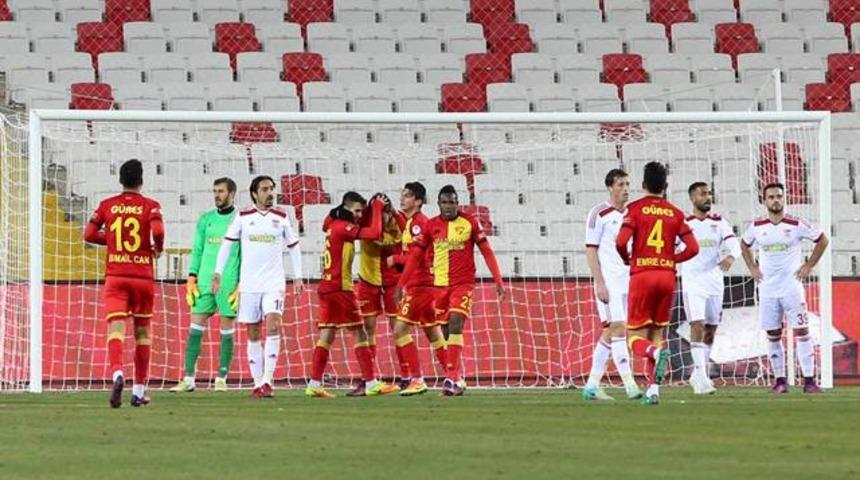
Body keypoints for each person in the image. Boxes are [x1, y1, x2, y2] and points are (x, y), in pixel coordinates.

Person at [396, 185, 505, 396]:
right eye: (445, 202)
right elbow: (416, 256)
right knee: (445, 332)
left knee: (456, 322)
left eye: (452, 202)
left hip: (463, 285)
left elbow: (486, 251)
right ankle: (456, 379)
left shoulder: (469, 222)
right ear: (439, 204)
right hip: (439, 286)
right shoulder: (431, 226)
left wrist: (498, 279)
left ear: (457, 203)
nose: (449, 206)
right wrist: (401, 284)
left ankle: (450, 378)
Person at [615, 162, 699, 405]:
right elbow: (693, 248)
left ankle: (655, 353)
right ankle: (653, 391)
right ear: (666, 186)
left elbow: (620, 242)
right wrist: (672, 259)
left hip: (642, 275)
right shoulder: (675, 212)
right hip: (667, 277)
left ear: (643, 185)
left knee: (634, 337)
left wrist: (627, 259)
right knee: (656, 333)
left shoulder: (635, 209)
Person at [212, 176, 303, 399]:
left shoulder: (281, 217)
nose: (270, 193)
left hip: (274, 283)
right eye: (265, 189)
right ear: (254, 194)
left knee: (273, 325)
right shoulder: (243, 217)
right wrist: (218, 272)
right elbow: (227, 245)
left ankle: (268, 380)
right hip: (250, 284)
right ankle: (256, 383)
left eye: (272, 189)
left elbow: (293, 246)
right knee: (253, 332)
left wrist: (298, 276)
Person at [84, 159, 164, 408]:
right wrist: (156, 249)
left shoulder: (107, 205)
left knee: (116, 329)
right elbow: (158, 232)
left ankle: (117, 373)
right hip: (142, 277)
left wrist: (111, 241)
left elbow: (87, 234)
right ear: (141, 180)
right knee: (142, 333)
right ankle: (139, 392)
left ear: (120, 180)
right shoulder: (151, 206)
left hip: (116, 277)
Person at [305, 192, 400, 398]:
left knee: (327, 335)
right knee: (360, 333)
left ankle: (314, 383)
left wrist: (339, 211)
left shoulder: (333, 223)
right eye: (356, 211)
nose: (359, 215)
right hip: (341, 288)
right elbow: (374, 233)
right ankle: (371, 383)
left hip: (326, 286)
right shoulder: (344, 228)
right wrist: (375, 208)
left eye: (361, 211)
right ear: (347, 209)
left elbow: (324, 223)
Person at [740, 182, 829, 394]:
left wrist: (809, 265)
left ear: (784, 199)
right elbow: (744, 244)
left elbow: (822, 240)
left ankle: (809, 380)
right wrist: (752, 267)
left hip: (792, 288)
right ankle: (780, 381)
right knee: (773, 333)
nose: (775, 200)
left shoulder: (796, 223)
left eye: (779, 196)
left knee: (802, 331)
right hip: (768, 289)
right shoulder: (756, 226)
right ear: (764, 201)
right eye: (771, 197)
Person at [172, 177, 241, 393]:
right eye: (214, 191)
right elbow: (198, 250)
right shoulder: (205, 220)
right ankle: (189, 378)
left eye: (221, 191)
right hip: (203, 279)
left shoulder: (241, 220)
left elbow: (246, 253)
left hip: (228, 280)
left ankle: (221, 377)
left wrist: (241, 283)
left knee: (227, 330)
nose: (217, 195)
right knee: (195, 329)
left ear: (232, 194)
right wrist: (191, 277)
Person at [582, 168, 641, 401]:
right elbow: (590, 249)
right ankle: (630, 385)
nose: (625, 189)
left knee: (611, 332)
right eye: (620, 185)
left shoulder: (633, 214)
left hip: (629, 281)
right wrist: (599, 282)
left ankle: (592, 386)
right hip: (609, 282)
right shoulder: (599, 213)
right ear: (610, 187)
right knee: (618, 328)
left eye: (627, 184)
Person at [389, 182, 449, 396]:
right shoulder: (412, 222)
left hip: (419, 285)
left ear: (418, 201)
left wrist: (395, 260)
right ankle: (454, 377)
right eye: (402, 195)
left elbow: (417, 258)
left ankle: (417, 378)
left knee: (400, 330)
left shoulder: (418, 224)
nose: (402, 199)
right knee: (433, 332)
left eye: (406, 196)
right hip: (424, 284)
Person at [681, 182, 740, 395]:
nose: (707, 197)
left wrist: (731, 257)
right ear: (692, 198)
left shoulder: (719, 221)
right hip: (693, 282)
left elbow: (734, 243)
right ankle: (702, 376)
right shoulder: (683, 223)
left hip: (715, 281)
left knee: (711, 329)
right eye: (702, 194)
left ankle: (698, 374)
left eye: (708, 193)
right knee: (697, 324)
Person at [356, 193, 402, 389]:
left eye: (385, 212)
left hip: (392, 280)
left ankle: (407, 375)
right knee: (368, 328)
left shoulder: (398, 222)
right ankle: (369, 377)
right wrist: (374, 209)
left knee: (399, 328)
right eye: (379, 212)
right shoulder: (366, 222)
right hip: (368, 279)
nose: (383, 216)